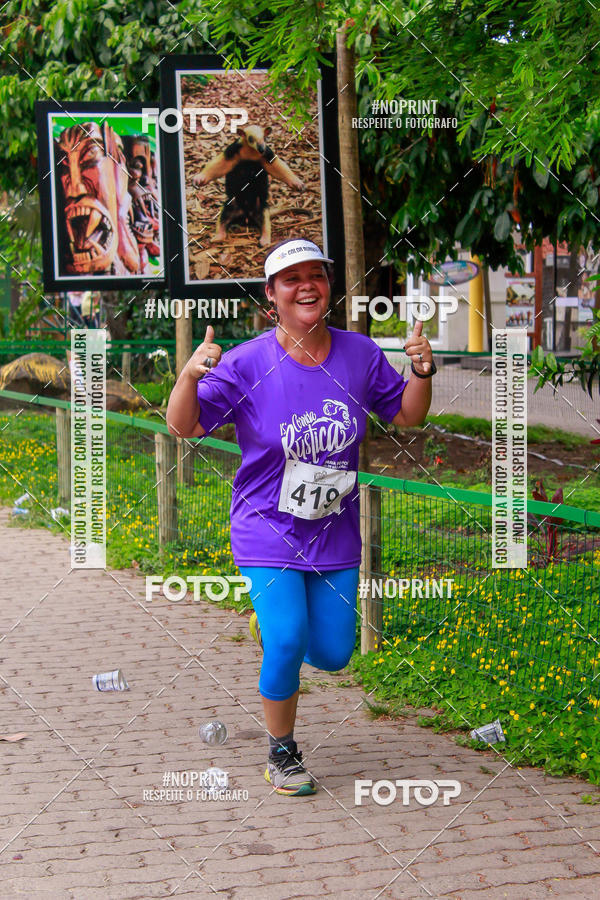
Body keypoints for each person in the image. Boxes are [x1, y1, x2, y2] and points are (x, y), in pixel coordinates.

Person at [166, 238, 435, 796]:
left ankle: (274, 623)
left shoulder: (359, 355)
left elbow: (407, 414)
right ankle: (282, 753)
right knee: (288, 640)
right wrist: (189, 377)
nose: (306, 285)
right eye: (291, 278)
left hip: (334, 528)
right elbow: (182, 426)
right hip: (265, 524)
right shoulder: (246, 362)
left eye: (316, 274)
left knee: (335, 654)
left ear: (328, 287)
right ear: (271, 295)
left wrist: (423, 371)